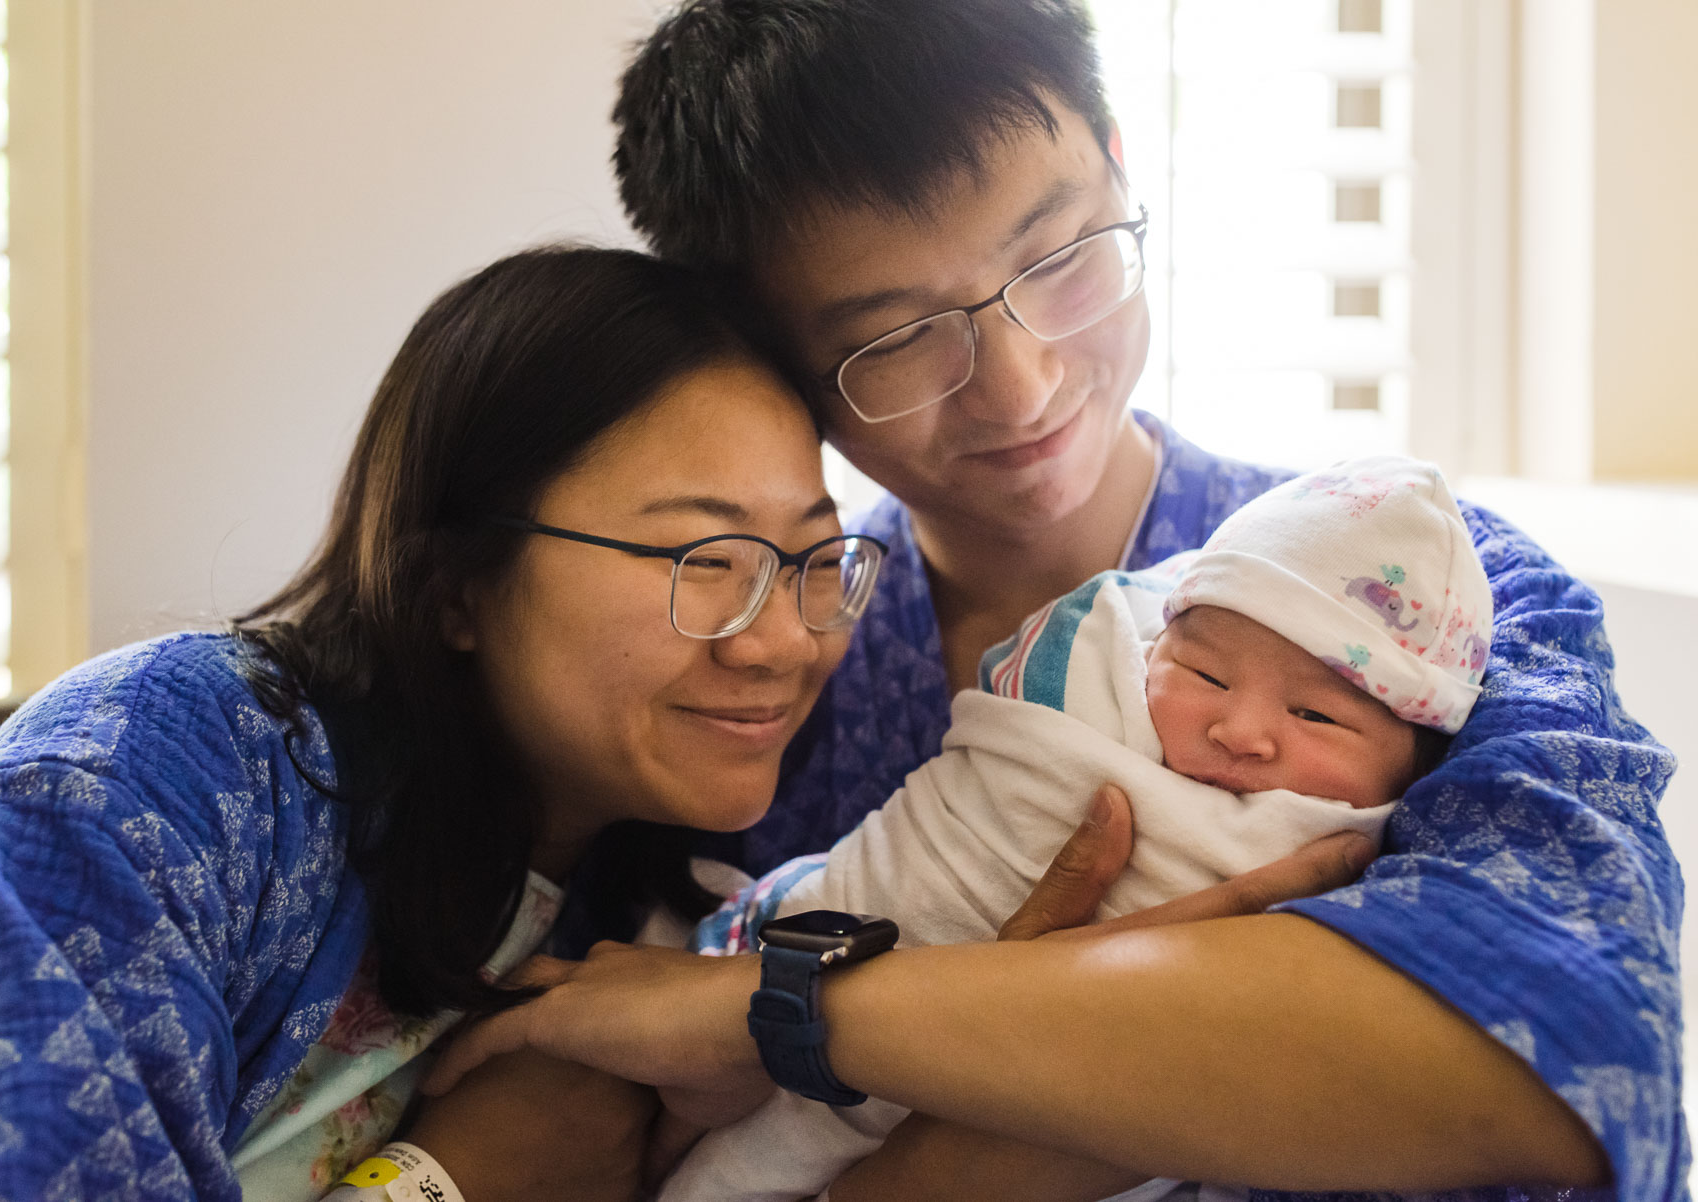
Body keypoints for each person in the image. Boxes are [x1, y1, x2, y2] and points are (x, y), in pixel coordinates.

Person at [428, 1, 1683, 1198]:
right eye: (897, 335)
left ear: (1123, 168)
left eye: (1062, 256)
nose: (1021, 386)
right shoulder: (746, 685)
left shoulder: (1429, 590)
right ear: (775, 360)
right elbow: (582, 1116)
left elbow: (1567, 1059)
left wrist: (795, 1007)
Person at [0, 246, 890, 1202]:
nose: (783, 643)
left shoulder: (671, 913)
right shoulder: (152, 774)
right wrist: (444, 1182)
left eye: (814, 557)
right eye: (703, 558)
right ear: (453, 582)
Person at [657, 455, 1491, 1202]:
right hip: (832, 954)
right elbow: (1013, 738)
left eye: (1315, 715)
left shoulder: (1418, 847)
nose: (1240, 731)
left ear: (1415, 762)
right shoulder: (1099, 652)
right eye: (1204, 674)